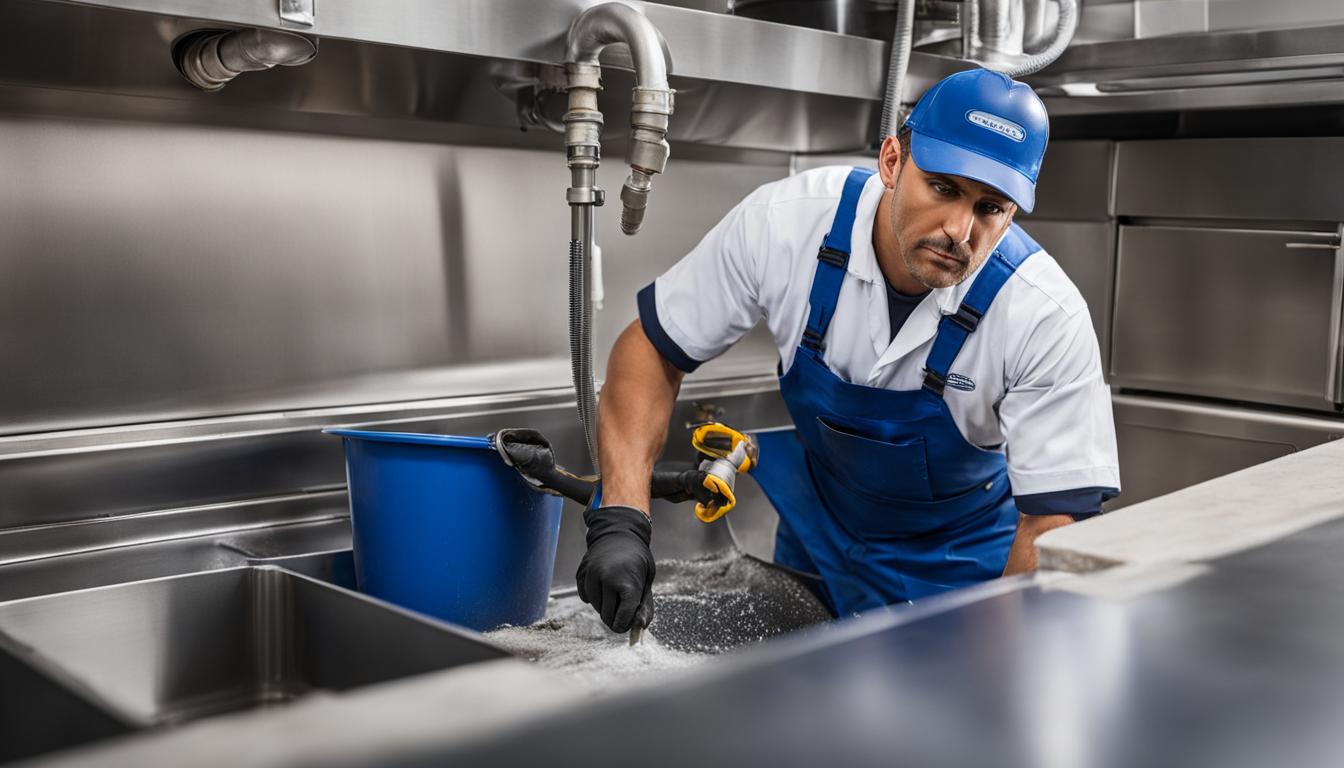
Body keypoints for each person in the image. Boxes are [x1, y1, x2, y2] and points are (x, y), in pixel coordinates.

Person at [575, 69, 1120, 635]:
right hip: (816, 550)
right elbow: (651, 349)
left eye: (992, 208)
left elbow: (1053, 522)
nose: (960, 229)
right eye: (943, 188)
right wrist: (621, 521)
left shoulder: (1043, 315)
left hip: (958, 578)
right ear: (891, 161)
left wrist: (994, 663)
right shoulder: (786, 226)